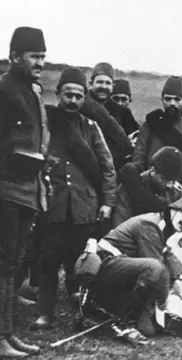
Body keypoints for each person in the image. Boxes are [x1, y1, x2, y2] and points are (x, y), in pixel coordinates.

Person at [32, 67, 117, 330]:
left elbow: (107, 167)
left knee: (79, 264)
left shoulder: (91, 128)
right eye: (68, 94)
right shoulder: (46, 123)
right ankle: (45, 314)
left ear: (85, 97)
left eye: (79, 96)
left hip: (83, 207)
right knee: (48, 261)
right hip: (52, 204)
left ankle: (80, 313)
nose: (73, 100)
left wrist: (108, 202)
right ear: (58, 94)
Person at [94, 195, 182, 337]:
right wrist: (174, 285)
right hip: (106, 266)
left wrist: (180, 275)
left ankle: (130, 314)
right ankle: (126, 322)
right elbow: (155, 262)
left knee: (148, 330)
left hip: (123, 269)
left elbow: (165, 252)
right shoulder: (150, 224)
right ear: (174, 208)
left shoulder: (165, 226)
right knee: (155, 269)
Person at [0, 26, 49, 357]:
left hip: (27, 192)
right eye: (34, 56)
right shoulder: (3, 90)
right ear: (14, 56)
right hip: (5, 190)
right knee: (2, 267)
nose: (40, 63)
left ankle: (9, 334)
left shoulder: (32, 92)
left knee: (12, 268)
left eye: (43, 57)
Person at [132, 76, 182, 194]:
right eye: (168, 99)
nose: (172, 103)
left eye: (177, 99)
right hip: (152, 185)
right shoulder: (150, 125)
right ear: (162, 99)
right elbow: (139, 158)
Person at [79, 63, 134, 173]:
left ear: (112, 86)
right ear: (91, 84)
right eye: (99, 82)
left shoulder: (114, 107)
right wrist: (129, 147)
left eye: (107, 83)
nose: (103, 86)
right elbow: (110, 125)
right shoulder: (85, 103)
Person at [113, 146, 182, 227]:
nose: (166, 184)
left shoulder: (176, 191)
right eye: (163, 178)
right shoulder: (131, 186)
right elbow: (121, 224)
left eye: (171, 180)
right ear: (153, 170)